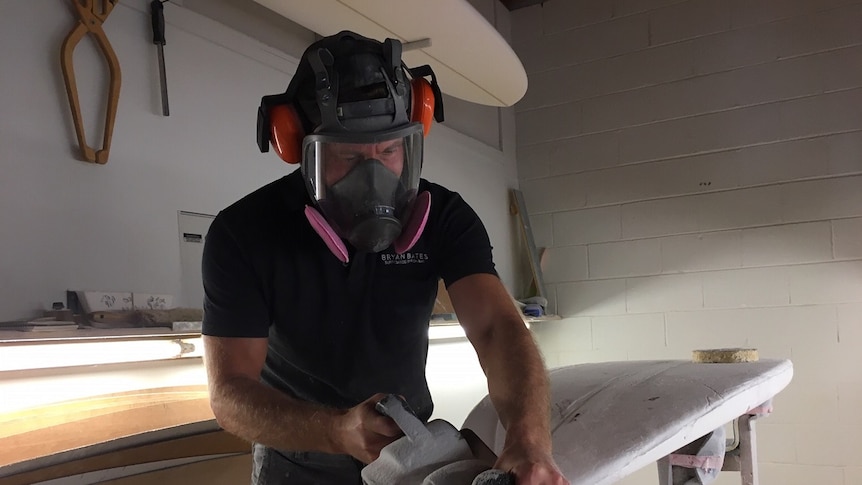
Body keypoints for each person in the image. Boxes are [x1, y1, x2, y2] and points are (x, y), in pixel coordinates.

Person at [201, 30, 568, 485]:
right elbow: (230, 394)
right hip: (297, 465)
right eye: (349, 156)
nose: (373, 175)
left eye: (390, 150)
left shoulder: (444, 218)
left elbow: (497, 329)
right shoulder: (244, 234)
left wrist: (529, 442)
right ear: (298, 145)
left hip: (411, 457)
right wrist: (335, 431)